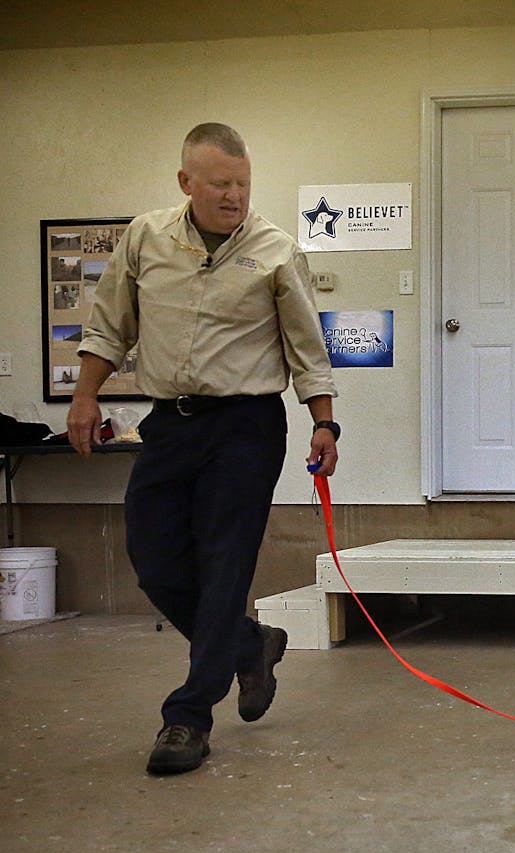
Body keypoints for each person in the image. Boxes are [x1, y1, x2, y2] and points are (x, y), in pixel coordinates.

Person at [67, 122, 339, 776]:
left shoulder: (274, 250)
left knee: (224, 566)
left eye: (242, 184)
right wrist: (85, 395)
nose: (234, 196)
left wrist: (324, 423)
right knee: (154, 559)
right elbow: (109, 323)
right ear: (186, 181)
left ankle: (188, 714)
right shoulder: (147, 238)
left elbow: (307, 345)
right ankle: (250, 644)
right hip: (169, 424)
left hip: (245, 428)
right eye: (220, 184)